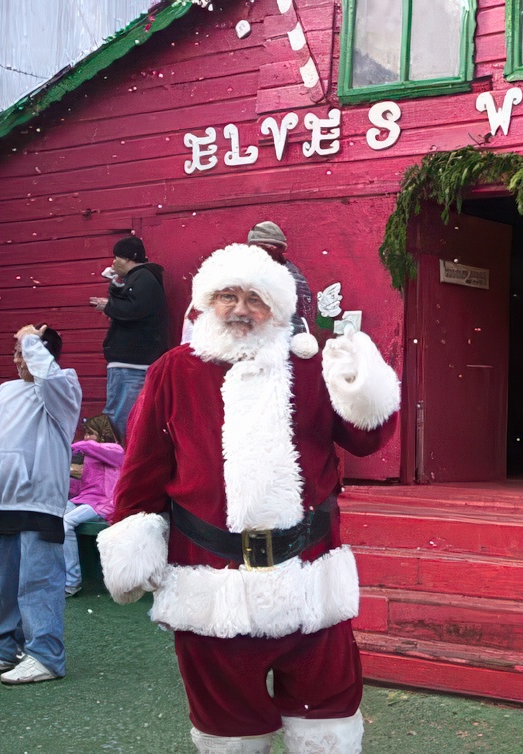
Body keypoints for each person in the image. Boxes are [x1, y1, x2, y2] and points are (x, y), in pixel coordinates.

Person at [96, 243, 400, 754]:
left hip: (311, 582)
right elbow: (143, 469)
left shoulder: (312, 367)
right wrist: (133, 536)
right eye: (227, 296)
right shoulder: (174, 369)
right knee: (228, 732)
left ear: (279, 308)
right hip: (211, 587)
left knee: (328, 724)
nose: (240, 309)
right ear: (205, 303)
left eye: (256, 298)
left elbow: (367, 437)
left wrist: (361, 382)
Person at [0, 324, 82, 684]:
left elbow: (46, 375)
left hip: (40, 502)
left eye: (25, 351)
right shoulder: (2, 392)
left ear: (42, 352)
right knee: (5, 582)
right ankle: (6, 650)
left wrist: (30, 339)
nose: (18, 359)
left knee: (39, 582)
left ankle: (47, 656)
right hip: (1, 499)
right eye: (16, 351)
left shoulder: (62, 387)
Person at [89, 235, 169, 438]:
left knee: (120, 415)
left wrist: (108, 306)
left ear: (130, 258)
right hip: (130, 361)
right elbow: (127, 303)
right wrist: (115, 283)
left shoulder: (143, 277)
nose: (114, 262)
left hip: (132, 363)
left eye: (118, 258)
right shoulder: (137, 278)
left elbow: (134, 309)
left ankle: (116, 462)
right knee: (123, 413)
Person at [63, 414, 124, 598]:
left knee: (65, 522)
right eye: (86, 434)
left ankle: (72, 582)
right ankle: (58, 575)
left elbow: (89, 446)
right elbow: (84, 487)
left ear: (103, 433)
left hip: (104, 504)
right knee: (57, 512)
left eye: (91, 433)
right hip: (85, 500)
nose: (87, 438)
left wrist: (66, 448)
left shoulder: (114, 450)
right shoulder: (90, 456)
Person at [247, 221, 315, 337]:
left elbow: (301, 315)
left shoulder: (291, 277)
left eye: (264, 249)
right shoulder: (253, 273)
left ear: (277, 250)